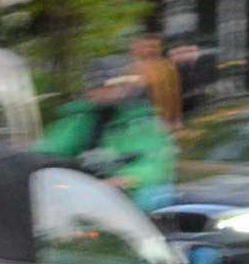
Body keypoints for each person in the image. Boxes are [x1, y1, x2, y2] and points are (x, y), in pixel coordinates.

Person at [40, 58, 176, 211]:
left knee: (151, 195)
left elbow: (155, 162)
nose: (104, 90)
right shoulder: (79, 120)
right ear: (89, 91)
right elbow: (48, 152)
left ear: (125, 86)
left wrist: (125, 180)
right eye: (97, 86)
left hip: (131, 196)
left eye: (111, 85)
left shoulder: (143, 122)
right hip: (87, 192)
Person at [130, 33, 184, 128]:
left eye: (156, 46)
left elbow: (176, 93)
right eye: (149, 46)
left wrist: (176, 118)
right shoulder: (132, 69)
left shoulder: (167, 66)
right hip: (145, 120)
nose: (153, 49)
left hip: (167, 119)